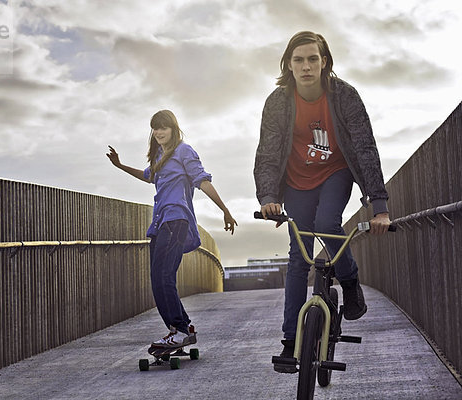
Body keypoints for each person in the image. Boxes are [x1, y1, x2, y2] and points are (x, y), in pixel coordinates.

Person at [253, 31, 392, 373]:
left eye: (312, 59)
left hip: (336, 172)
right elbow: (268, 152)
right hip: (296, 182)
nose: (305, 66)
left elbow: (364, 148)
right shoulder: (277, 102)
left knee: (328, 225)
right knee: (299, 256)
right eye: (298, 60)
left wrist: (380, 205)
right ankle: (290, 341)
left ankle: (350, 284)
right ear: (289, 64)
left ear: (324, 61)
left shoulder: (344, 96)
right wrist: (269, 197)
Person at [107, 109, 237, 348]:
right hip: (159, 223)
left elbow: (202, 180)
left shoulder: (183, 151)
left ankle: (179, 329)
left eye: (163, 127)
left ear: (173, 129)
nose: (158, 132)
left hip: (176, 220)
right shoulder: (159, 155)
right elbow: (149, 176)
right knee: (157, 279)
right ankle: (181, 327)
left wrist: (225, 210)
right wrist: (120, 166)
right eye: (155, 128)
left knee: (165, 277)